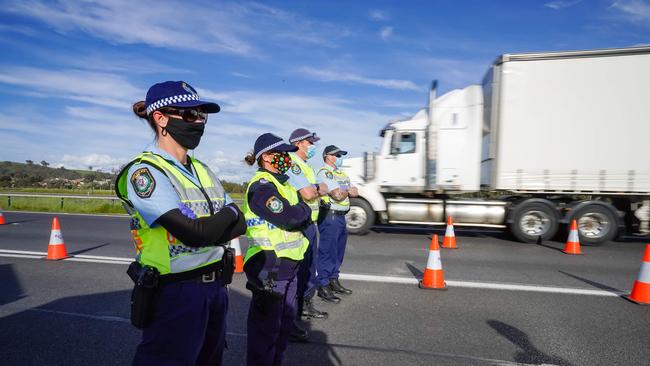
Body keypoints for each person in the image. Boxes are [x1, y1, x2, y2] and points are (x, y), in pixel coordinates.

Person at [115, 80, 246, 366]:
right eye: (189, 115)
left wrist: (227, 218)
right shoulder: (146, 172)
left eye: (201, 115)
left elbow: (242, 224)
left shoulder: (201, 168)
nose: (198, 121)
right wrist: (229, 215)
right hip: (176, 292)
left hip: (215, 289)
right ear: (160, 118)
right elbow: (195, 234)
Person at [242, 133, 312, 366]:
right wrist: (301, 213)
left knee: (282, 328)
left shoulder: (284, 184)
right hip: (270, 268)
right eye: (282, 154)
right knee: (266, 332)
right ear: (267, 157)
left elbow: (302, 210)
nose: (287, 158)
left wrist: (301, 212)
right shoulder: (262, 186)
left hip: (289, 266)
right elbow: (293, 216)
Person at [286, 128, 329, 329]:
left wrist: (316, 189)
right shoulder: (292, 164)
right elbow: (309, 193)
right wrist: (321, 188)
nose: (313, 146)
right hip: (301, 224)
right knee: (302, 269)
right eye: (310, 143)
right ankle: (296, 310)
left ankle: (305, 303)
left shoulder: (306, 166)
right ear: (300, 143)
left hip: (310, 221)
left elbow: (313, 191)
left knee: (310, 267)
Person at [316, 145, 358, 302]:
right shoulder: (324, 172)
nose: (339, 157)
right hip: (329, 216)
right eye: (336, 155)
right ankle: (323, 284)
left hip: (341, 217)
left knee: (338, 251)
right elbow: (338, 195)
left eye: (340, 155)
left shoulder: (341, 173)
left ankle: (333, 280)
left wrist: (344, 190)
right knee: (327, 251)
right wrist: (346, 190)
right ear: (328, 156)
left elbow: (355, 191)